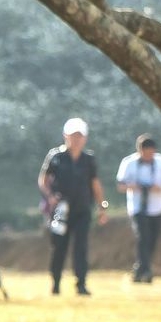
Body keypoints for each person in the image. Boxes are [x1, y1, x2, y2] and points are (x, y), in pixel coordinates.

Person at [38, 117, 108, 296]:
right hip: (60, 211)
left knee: (81, 247)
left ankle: (81, 284)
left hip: (82, 209)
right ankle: (55, 283)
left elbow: (95, 184)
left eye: (80, 136)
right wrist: (50, 196)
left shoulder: (88, 160)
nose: (76, 140)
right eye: (73, 136)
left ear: (85, 138)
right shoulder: (56, 157)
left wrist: (102, 206)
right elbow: (44, 180)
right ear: (65, 136)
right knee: (59, 247)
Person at [117, 134, 161, 285]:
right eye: (145, 153)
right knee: (143, 237)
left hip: (157, 207)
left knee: (152, 240)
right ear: (139, 151)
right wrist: (134, 186)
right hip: (137, 207)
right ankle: (147, 271)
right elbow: (120, 185)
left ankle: (140, 269)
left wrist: (159, 188)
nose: (149, 156)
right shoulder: (129, 163)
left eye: (151, 153)